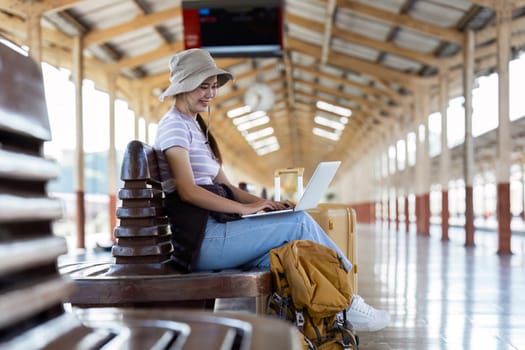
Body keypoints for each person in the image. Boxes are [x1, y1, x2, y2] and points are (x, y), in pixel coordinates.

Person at [153, 48, 390, 332]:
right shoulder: (174, 127)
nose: (211, 94)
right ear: (184, 85)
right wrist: (245, 209)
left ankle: (303, 325)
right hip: (203, 241)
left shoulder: (195, 128)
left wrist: (267, 204)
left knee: (290, 253)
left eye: (214, 86)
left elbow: (227, 186)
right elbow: (188, 191)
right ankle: (350, 300)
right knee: (299, 222)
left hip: (214, 232)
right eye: (203, 86)